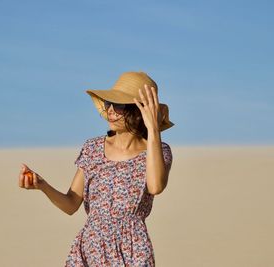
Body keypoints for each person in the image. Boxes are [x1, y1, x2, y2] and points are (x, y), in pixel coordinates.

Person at [18, 71, 174, 266]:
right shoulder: (92, 148)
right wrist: (42, 185)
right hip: (91, 246)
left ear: (139, 111)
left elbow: (155, 186)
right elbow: (71, 204)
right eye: (108, 104)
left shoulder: (158, 151)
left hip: (132, 249)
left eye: (118, 105)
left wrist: (153, 130)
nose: (109, 111)